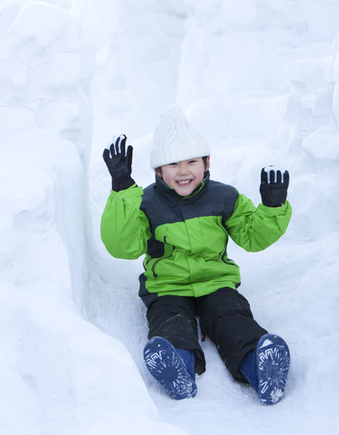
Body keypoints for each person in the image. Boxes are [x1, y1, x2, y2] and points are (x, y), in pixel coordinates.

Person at [100, 104, 292, 404]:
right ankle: (178, 366)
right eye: (173, 164)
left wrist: (272, 209)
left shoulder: (224, 197)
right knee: (171, 322)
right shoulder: (145, 203)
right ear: (158, 172)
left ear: (206, 162)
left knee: (232, 318)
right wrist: (123, 190)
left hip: (217, 283)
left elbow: (252, 237)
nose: (183, 171)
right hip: (167, 287)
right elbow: (122, 247)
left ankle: (259, 365)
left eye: (191, 161)